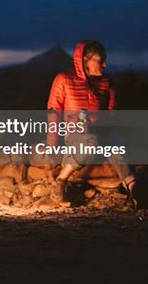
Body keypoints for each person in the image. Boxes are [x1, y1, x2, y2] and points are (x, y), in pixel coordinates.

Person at [46, 39, 142, 209]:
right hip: (76, 134)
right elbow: (54, 114)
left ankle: (135, 190)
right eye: (100, 60)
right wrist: (52, 145)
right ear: (85, 60)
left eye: (105, 60)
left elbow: (113, 114)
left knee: (116, 143)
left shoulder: (106, 83)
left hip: (101, 132)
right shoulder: (64, 80)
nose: (104, 65)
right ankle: (60, 182)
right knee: (90, 141)